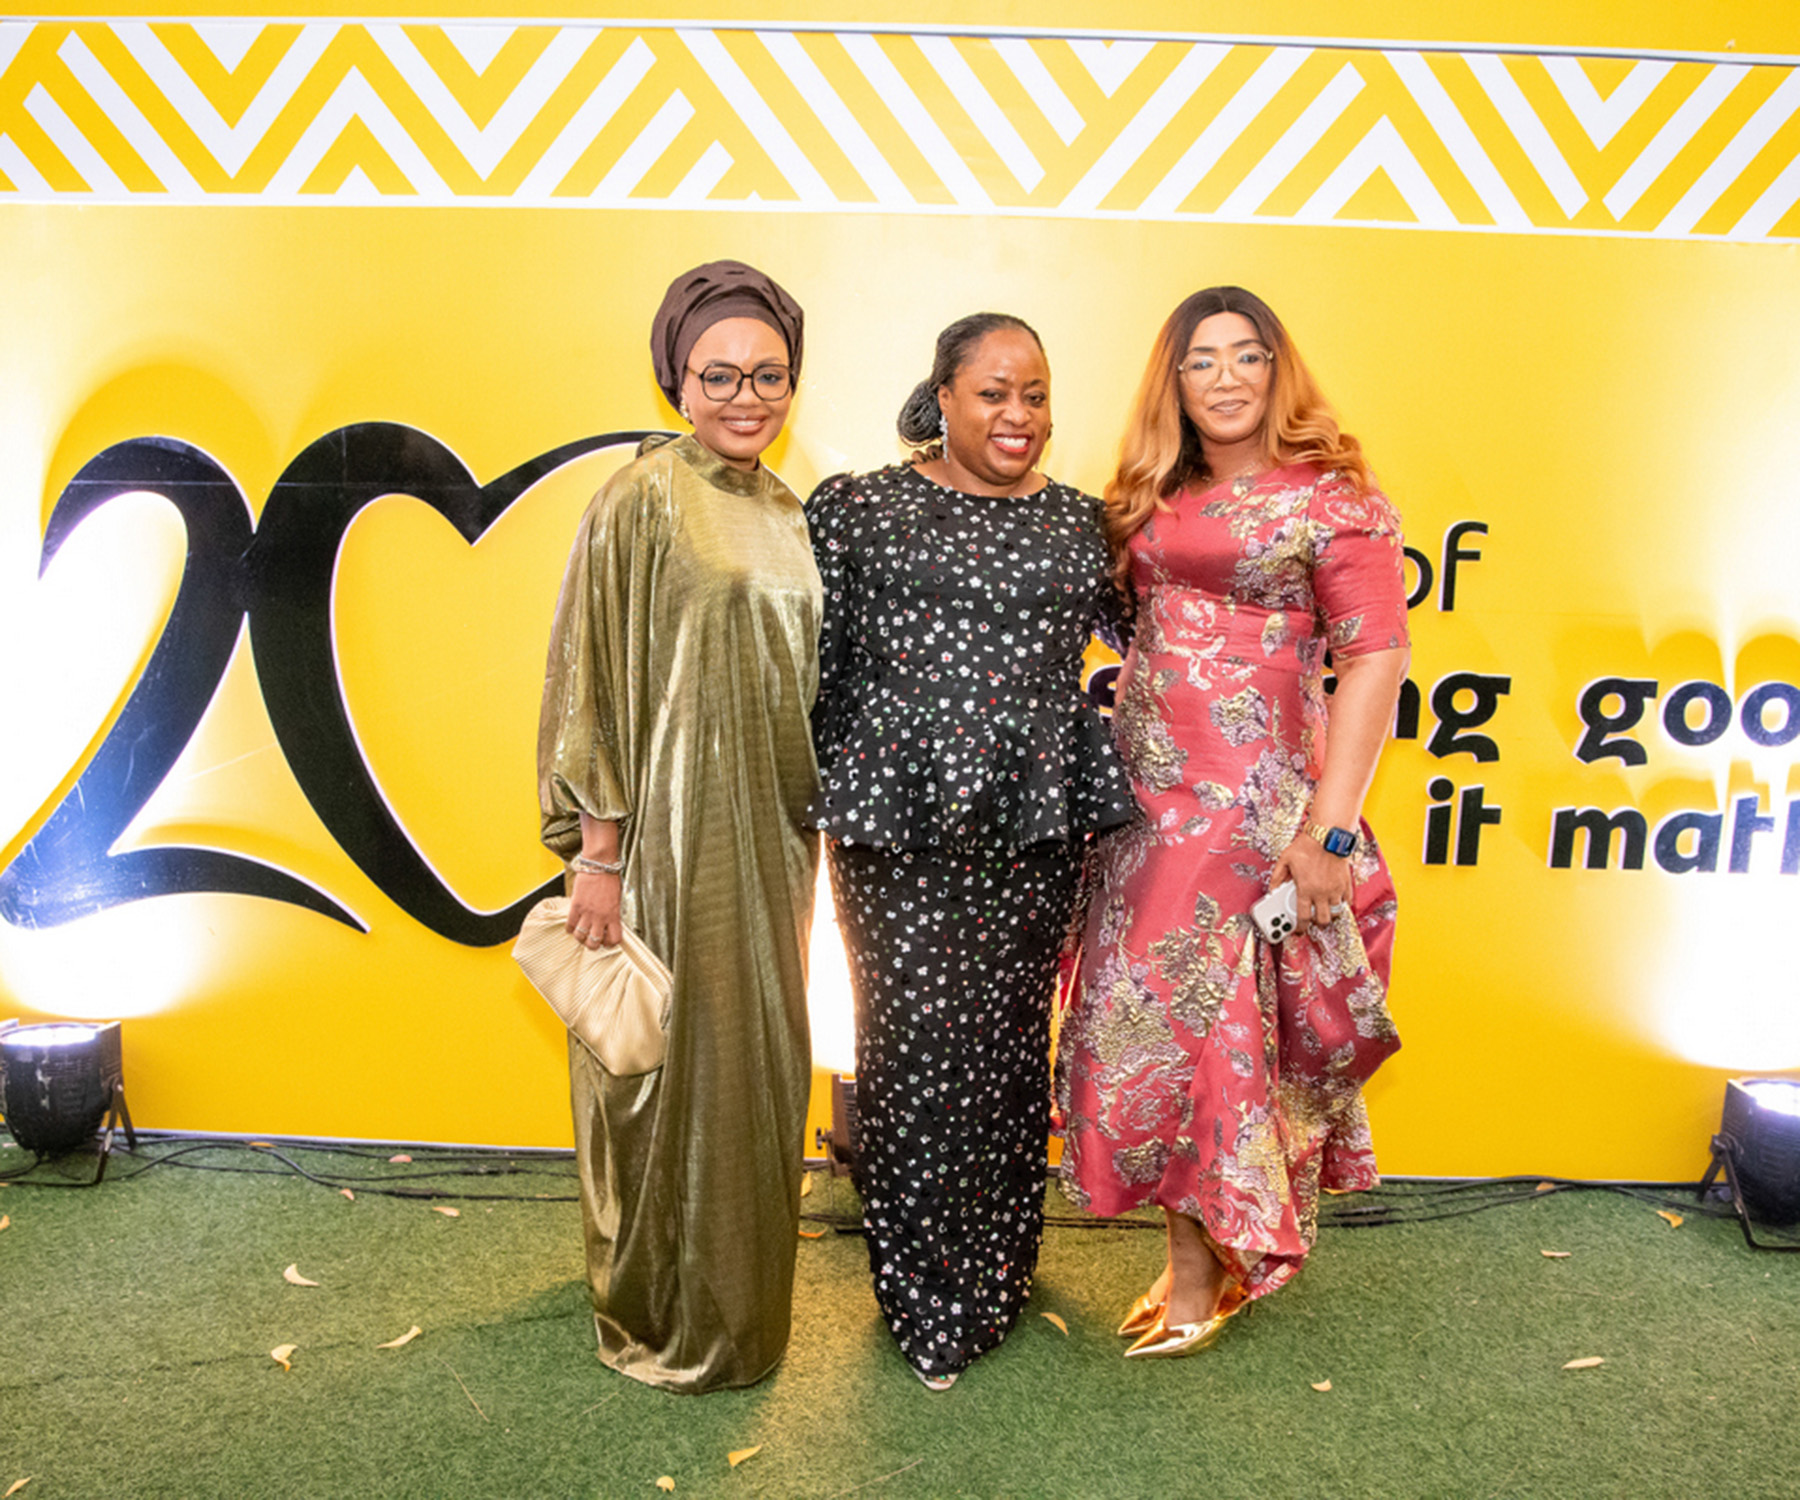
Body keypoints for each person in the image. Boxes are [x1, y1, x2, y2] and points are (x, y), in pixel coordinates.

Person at [1057, 285, 1409, 1358]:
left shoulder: (1334, 500)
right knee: (1149, 1023)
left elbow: (1377, 661)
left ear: (1276, 370)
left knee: (1223, 1029)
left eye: (1247, 355)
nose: (1225, 378)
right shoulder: (1150, 496)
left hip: (1258, 812)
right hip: (1142, 810)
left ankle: (1204, 1268)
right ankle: (1193, 1252)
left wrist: (1329, 834)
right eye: (1202, 359)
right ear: (1175, 381)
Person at [807, 313, 1135, 1389]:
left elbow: (1168, 648)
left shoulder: (1082, 525)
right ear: (942, 396)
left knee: (1005, 1048)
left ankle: (997, 1269)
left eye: (1035, 394)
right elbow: (813, 668)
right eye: (993, 392)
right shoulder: (858, 509)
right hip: (896, 826)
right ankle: (924, 1298)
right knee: (911, 1053)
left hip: (1032, 827)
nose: (1017, 415)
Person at [536, 260, 819, 1393]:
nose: (747, 397)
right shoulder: (641, 498)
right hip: (666, 842)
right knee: (662, 1077)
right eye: (720, 375)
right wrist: (597, 857)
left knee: (757, 1076)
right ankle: (662, 1319)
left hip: (776, 845)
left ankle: (744, 1315)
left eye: (769, 375)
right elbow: (589, 682)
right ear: (677, 380)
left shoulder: (787, 509)